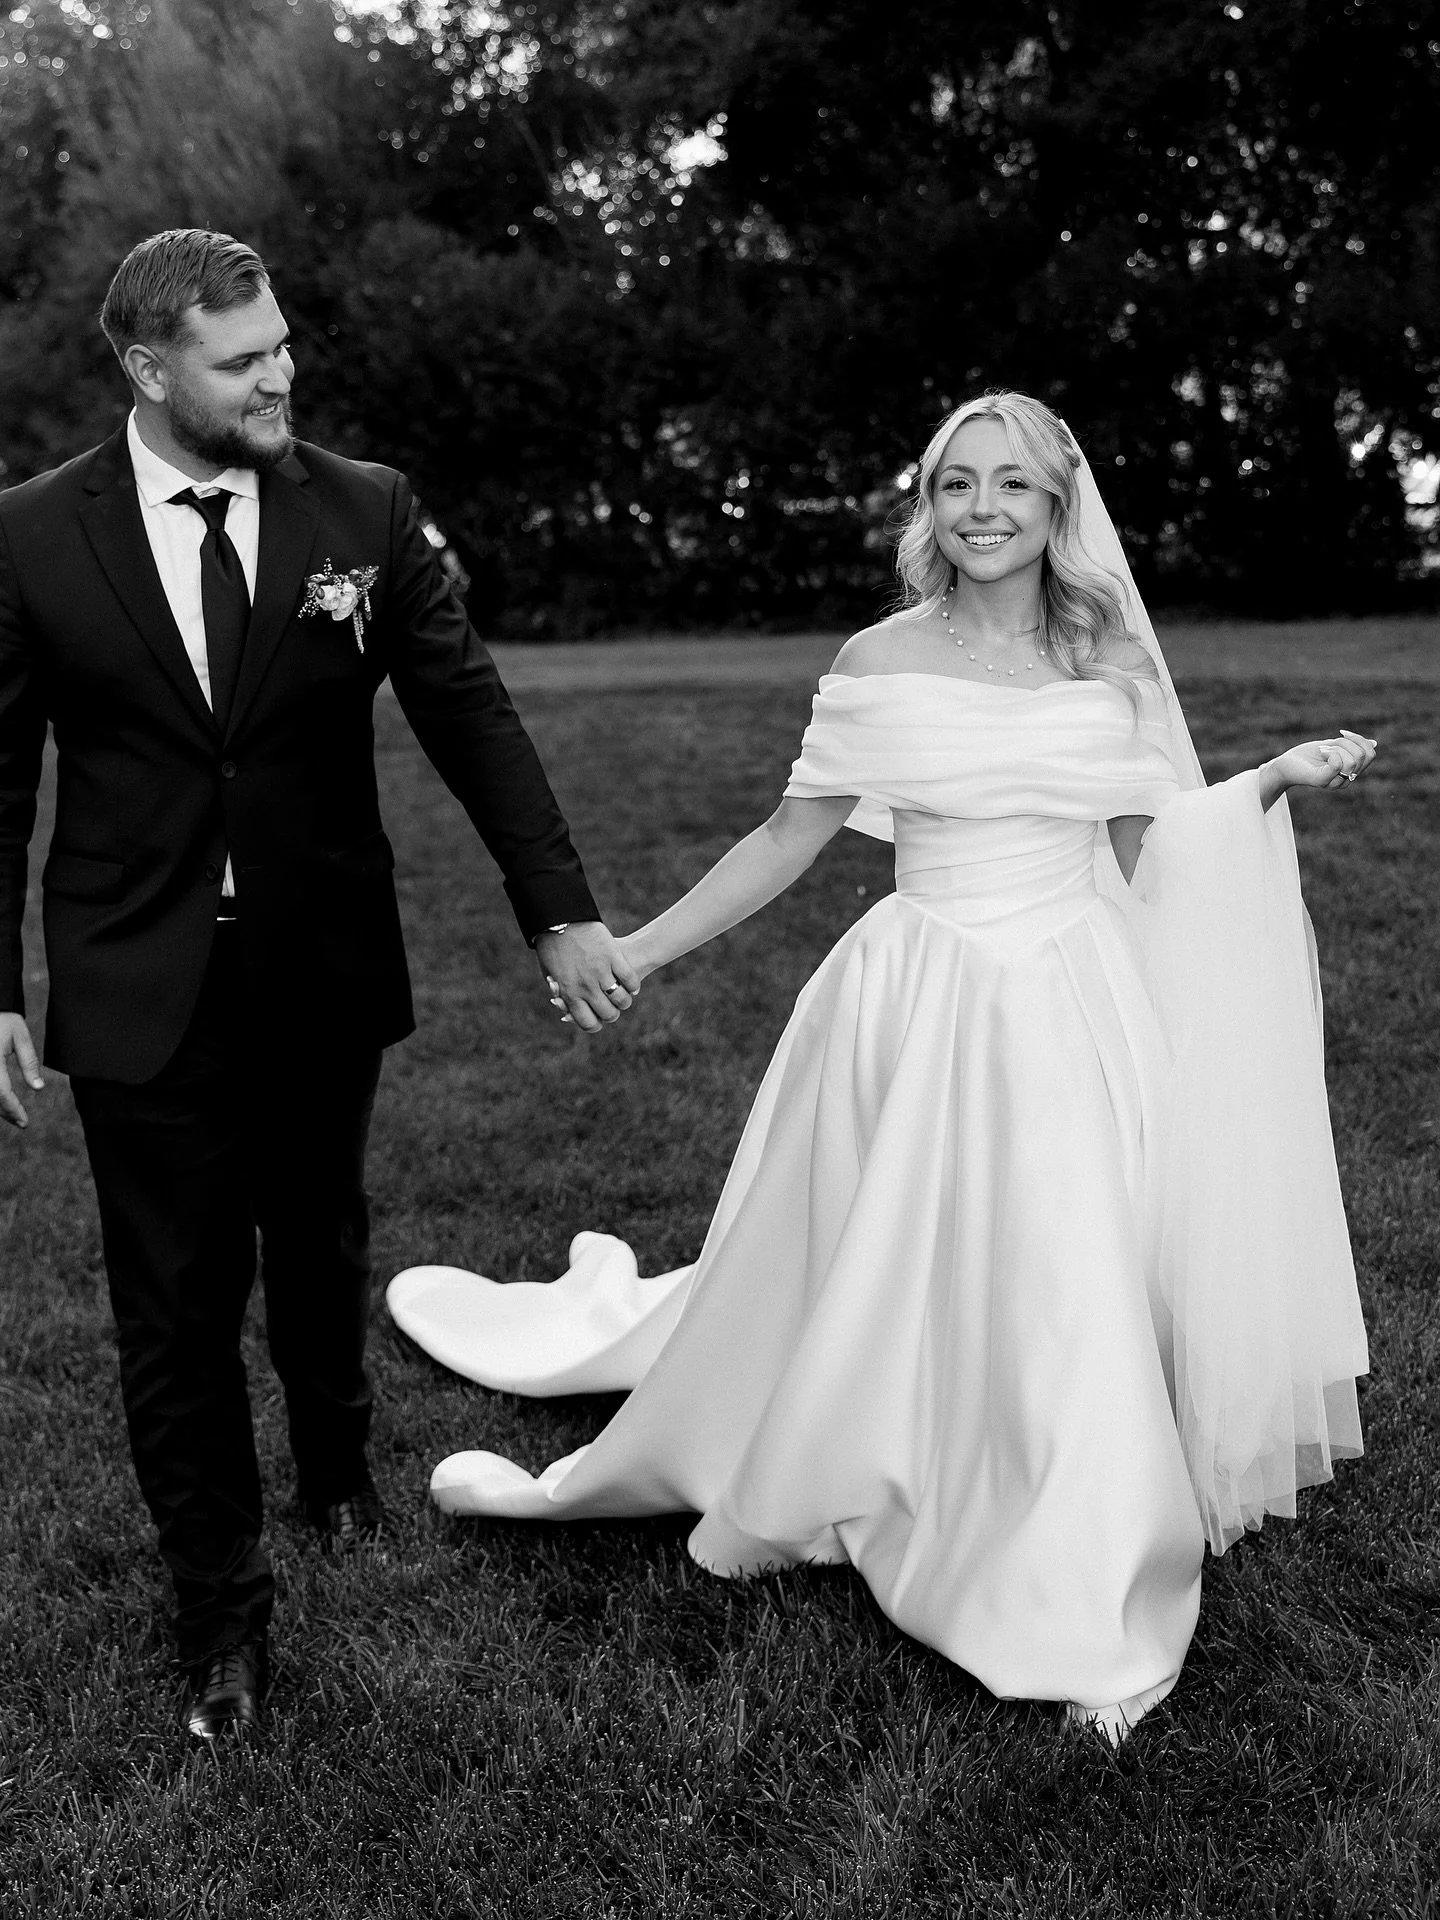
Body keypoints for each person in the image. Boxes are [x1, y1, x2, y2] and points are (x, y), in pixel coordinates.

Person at [388, 391, 1373, 1740]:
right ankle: (876, 1455)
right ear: (928, 506)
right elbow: (784, 839)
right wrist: (643, 948)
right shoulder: (878, 657)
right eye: (956, 483)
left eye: (1011, 485)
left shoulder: (1111, 663)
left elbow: (1150, 846)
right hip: (915, 994)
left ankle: (1083, 1566)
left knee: (1063, 1272)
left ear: (1058, 505)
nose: (982, 509)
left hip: (1069, 994)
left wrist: (1270, 782)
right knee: (895, 1252)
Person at [0, 228, 639, 1741]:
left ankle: (337, 1465)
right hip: (136, 968)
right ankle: (221, 1612)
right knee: (172, 1302)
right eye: (242, 361)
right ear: (149, 371)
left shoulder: (364, 509)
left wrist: (558, 909)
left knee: (318, 1232)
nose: (280, 375)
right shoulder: (29, 536)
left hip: (318, 955)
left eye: (282, 343)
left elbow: (468, 711)